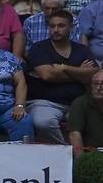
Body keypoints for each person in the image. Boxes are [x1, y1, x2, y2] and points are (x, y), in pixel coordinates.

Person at [25, 11, 99, 143]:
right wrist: (79, 72)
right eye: (52, 26)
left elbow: (94, 74)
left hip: (77, 102)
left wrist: (65, 68)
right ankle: (66, 152)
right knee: (43, 122)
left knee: (92, 120)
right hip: (45, 102)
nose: (56, 30)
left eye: (61, 26)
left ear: (71, 27)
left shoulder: (81, 49)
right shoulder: (39, 48)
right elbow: (47, 75)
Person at [68, 69, 103, 153]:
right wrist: (82, 163)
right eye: (95, 83)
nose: (98, 88)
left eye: (102, 84)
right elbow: (74, 134)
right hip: (91, 156)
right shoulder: (80, 103)